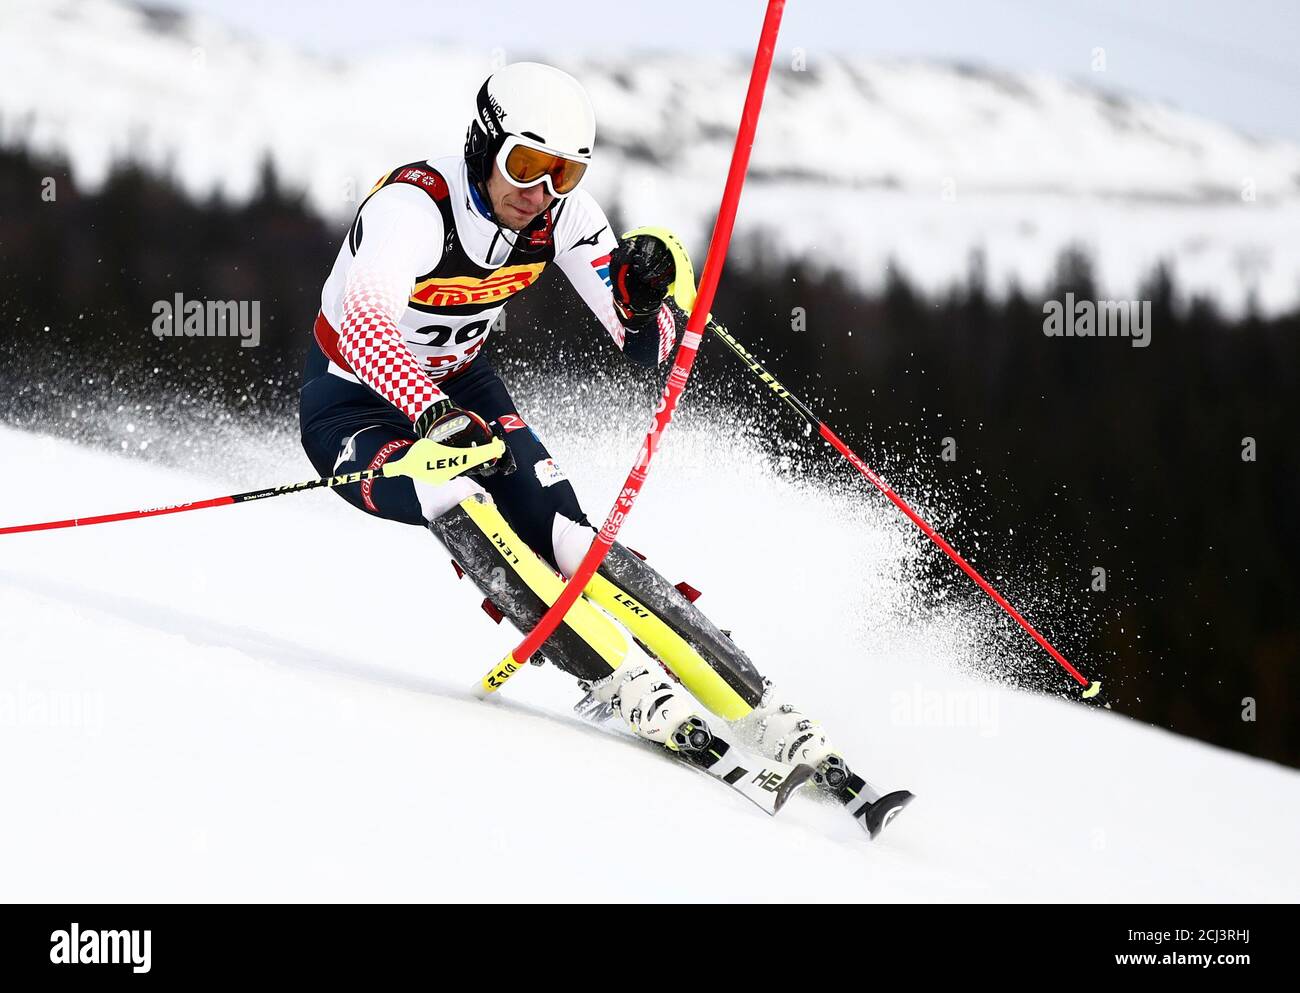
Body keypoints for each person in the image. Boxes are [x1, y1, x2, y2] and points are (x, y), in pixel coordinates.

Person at [299, 61, 837, 767]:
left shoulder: (565, 217)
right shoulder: (413, 209)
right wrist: (430, 413)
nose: (540, 192)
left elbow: (647, 349)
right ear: (483, 143)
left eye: (565, 173)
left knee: (567, 536)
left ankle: (756, 703)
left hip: (462, 387)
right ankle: (619, 678)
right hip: (352, 406)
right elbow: (367, 325)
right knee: (452, 492)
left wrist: (647, 297)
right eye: (526, 164)